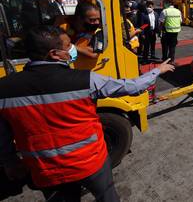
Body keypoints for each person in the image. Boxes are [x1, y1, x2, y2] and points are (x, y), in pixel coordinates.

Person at [0, 26, 175, 201]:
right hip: (91, 163)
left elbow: (3, 135)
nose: (73, 49)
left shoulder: (4, 89)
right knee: (107, 197)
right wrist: (158, 70)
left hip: (46, 170)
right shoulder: (86, 80)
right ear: (54, 53)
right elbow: (133, 86)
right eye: (69, 46)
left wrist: (9, 161)